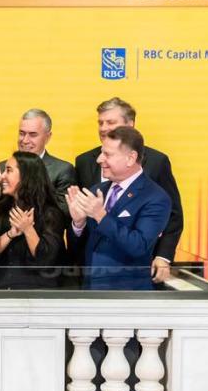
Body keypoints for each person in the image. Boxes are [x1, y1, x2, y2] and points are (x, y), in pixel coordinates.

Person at [74, 97, 183, 283]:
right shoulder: (84, 161)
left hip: (132, 272)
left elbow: (173, 215)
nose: (103, 128)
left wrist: (163, 256)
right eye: (100, 122)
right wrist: (78, 223)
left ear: (130, 125)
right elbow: (85, 219)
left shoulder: (157, 163)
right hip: (92, 272)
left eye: (111, 122)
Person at [66, 126, 170, 290]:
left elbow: (139, 246)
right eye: (101, 152)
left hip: (127, 295)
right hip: (90, 290)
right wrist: (78, 224)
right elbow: (76, 250)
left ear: (130, 158)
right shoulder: (96, 191)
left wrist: (101, 216)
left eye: (107, 154)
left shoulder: (155, 197)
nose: (99, 159)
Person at [0, 151, 66, 289]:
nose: (2, 176)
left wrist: (27, 229)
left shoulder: (50, 213)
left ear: (26, 175)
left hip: (37, 295)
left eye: (8, 170)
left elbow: (45, 260)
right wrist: (10, 234)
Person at [0, 109, 76, 216]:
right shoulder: (2, 168)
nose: (25, 140)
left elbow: (62, 214)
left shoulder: (62, 170)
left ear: (48, 137)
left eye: (33, 135)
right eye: (22, 133)